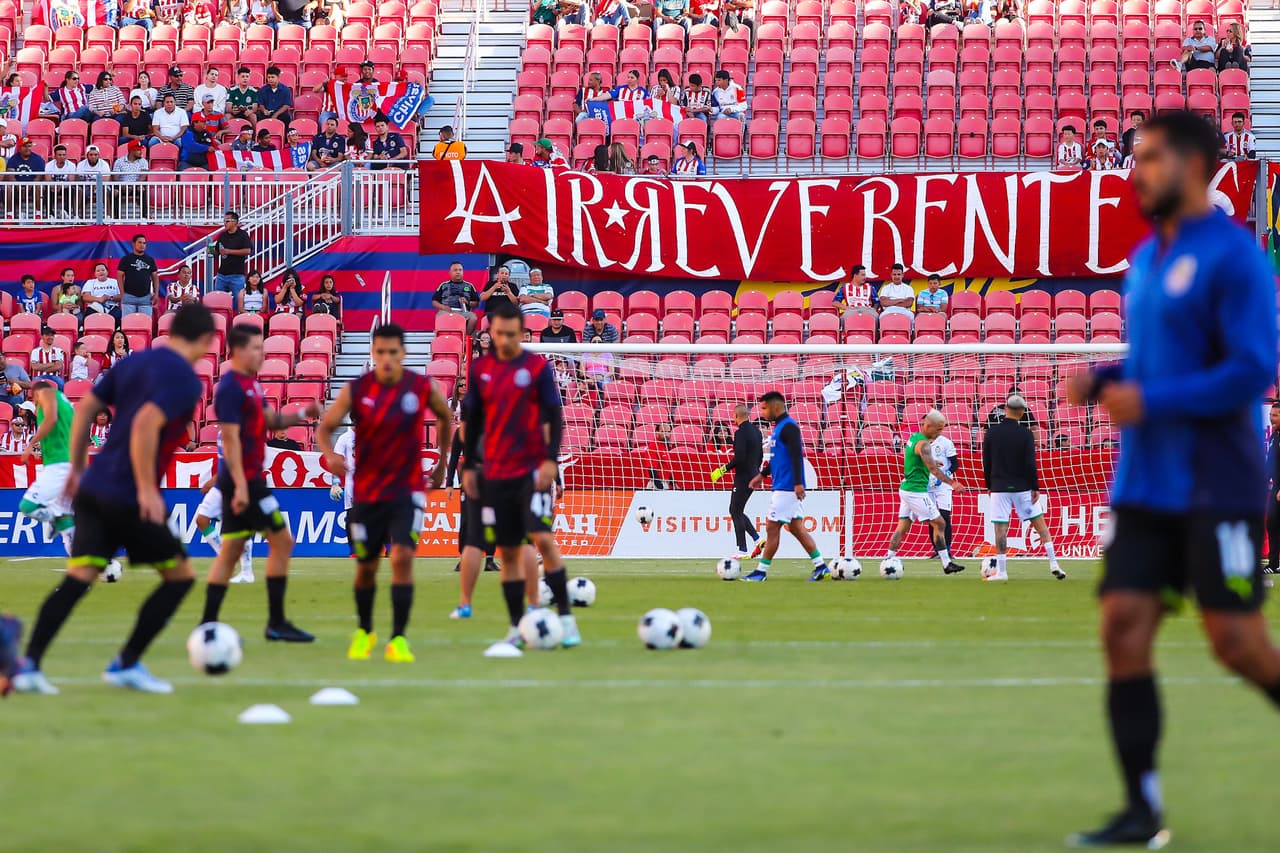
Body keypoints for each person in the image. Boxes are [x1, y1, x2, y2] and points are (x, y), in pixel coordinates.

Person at [1061, 111, 1280, 848]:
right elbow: (1159, 365)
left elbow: (1253, 369)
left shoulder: (1235, 257)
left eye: (1147, 158)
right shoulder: (1148, 258)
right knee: (1122, 626)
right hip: (1144, 483)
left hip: (1217, 484)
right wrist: (1106, 377)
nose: (1134, 172)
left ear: (1190, 163)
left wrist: (1149, 398)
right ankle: (1141, 808)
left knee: (1239, 645)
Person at [10, 303, 217, 696]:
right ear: (206, 340)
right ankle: (126, 663)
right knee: (179, 576)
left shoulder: (136, 362)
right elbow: (143, 426)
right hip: (127, 495)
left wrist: (75, 467)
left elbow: (86, 405)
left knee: (79, 577)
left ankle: (29, 665)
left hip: (94, 484)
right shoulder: (185, 380)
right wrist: (144, 489)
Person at [317, 323, 453, 663]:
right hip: (367, 493)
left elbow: (445, 417)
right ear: (372, 354)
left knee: (403, 559)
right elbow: (325, 427)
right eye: (380, 352)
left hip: (406, 491)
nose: (387, 358)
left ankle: (398, 638)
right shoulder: (357, 389)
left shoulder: (420, 387)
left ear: (403, 353)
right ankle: (365, 631)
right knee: (366, 566)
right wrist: (331, 456)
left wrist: (441, 463)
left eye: (393, 352)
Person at [460, 301, 579, 656]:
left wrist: (549, 461)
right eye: (499, 334)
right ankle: (516, 627)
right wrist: (469, 466)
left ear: (523, 334)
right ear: (491, 332)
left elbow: (553, 417)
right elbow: (473, 424)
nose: (506, 340)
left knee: (542, 538)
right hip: (496, 472)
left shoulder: (537, 368)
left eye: (512, 335)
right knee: (509, 551)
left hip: (531, 469)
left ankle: (568, 618)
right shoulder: (480, 370)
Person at [199, 324, 318, 641]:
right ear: (237, 351)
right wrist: (238, 485)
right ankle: (276, 623)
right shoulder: (230, 389)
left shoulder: (251, 385)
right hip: (247, 480)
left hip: (245, 478)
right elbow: (231, 440)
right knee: (282, 541)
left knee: (231, 550)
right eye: (256, 348)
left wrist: (302, 413)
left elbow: (271, 420)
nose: (262, 354)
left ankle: (207, 624)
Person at [740, 391, 830, 582]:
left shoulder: (789, 427)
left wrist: (798, 483)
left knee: (772, 529)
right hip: (783, 486)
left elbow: (797, 456)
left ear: (775, 406)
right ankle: (821, 566)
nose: (762, 413)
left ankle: (761, 572)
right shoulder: (780, 427)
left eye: (764, 408)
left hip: (786, 488)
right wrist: (761, 476)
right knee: (796, 528)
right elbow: (777, 459)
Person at [979, 394, 1065, 582]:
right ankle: (1054, 563)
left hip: (999, 486)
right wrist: (1035, 486)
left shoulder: (991, 433)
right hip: (1022, 487)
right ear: (1022, 413)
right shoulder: (1026, 434)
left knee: (1000, 528)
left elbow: (986, 461)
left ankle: (1002, 572)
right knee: (1040, 524)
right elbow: (1030, 463)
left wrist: (989, 485)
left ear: (1006, 409)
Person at [881, 410, 967, 576]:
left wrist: (933, 460)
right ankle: (946, 563)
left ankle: (888, 559)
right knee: (940, 523)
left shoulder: (914, 438)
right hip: (916, 490)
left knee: (903, 526)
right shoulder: (925, 445)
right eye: (938, 429)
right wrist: (953, 482)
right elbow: (933, 470)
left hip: (906, 487)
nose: (940, 432)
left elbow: (920, 458)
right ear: (928, 425)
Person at [17, 380, 77, 556]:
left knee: (28, 506)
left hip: (59, 466)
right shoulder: (67, 405)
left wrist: (31, 444)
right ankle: (84, 575)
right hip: (70, 463)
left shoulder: (47, 393)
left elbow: (51, 419)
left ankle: (56, 517)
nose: (34, 402)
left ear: (37, 392)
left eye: (32, 397)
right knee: (68, 531)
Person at [711, 403, 764, 558]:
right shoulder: (757, 432)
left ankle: (742, 549)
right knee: (738, 510)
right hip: (754, 474)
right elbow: (760, 455)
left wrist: (722, 470)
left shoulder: (740, 433)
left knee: (734, 510)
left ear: (735, 416)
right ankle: (757, 539)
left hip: (743, 476)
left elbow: (739, 457)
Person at [193, 462, 256, 586]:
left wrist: (214, 480)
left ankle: (247, 573)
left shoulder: (237, 441)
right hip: (221, 485)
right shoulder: (222, 441)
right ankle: (227, 558)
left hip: (237, 483)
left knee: (241, 527)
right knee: (201, 520)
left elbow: (237, 459)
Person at [928, 416, 958, 555]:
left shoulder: (946, 443)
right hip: (927, 485)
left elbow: (955, 464)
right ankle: (936, 550)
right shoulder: (921, 442)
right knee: (932, 518)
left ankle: (947, 549)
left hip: (943, 485)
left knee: (944, 516)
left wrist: (945, 473)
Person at [117, 233, 159, 318]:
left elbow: (155, 277)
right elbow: (119, 276)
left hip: (146, 297)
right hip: (129, 297)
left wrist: (156, 294)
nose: (142, 245)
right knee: (127, 325)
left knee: (145, 324)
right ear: (133, 244)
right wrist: (122, 293)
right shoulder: (126, 259)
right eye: (139, 242)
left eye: (144, 243)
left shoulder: (150, 260)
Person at [432, 260, 479, 335]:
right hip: (446, 310)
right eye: (455, 270)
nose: (458, 272)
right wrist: (443, 307)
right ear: (450, 272)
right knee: (439, 317)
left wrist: (467, 302)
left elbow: (476, 303)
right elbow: (434, 301)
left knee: (473, 317)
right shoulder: (443, 285)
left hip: (463, 311)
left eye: (460, 270)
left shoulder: (469, 286)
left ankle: (465, 338)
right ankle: (442, 338)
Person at [214, 211, 252, 297]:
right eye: (224, 221)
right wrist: (211, 251)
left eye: (227, 221)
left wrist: (229, 251)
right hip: (222, 274)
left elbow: (247, 251)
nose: (225, 223)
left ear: (235, 222)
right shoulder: (223, 235)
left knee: (239, 300)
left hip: (237, 275)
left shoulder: (243, 235)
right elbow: (217, 251)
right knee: (218, 298)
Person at [1265, 403, 1280, 577]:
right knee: (1272, 523)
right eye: (1270, 415)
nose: (1271, 418)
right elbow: (1269, 465)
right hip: (1276, 486)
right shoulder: (1274, 437)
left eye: (1275, 415)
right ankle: (1273, 563)